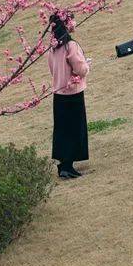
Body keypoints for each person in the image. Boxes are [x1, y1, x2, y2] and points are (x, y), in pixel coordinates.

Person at [47, 13, 89, 179]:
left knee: (62, 130)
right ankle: (68, 166)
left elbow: (53, 68)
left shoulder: (53, 47)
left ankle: (63, 165)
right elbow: (81, 69)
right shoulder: (70, 46)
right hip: (73, 92)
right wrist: (86, 66)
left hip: (59, 93)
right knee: (74, 129)